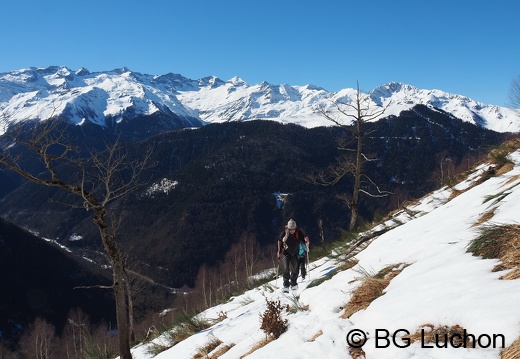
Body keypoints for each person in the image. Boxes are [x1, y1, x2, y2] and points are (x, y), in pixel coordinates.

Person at [277, 219, 308, 292]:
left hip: (295, 253)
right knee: (286, 269)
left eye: (293, 229)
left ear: (295, 228)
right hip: (286, 253)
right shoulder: (284, 233)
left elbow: (303, 239)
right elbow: (279, 241)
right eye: (290, 229)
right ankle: (286, 284)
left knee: (295, 268)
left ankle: (293, 283)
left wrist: (306, 241)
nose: (291, 231)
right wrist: (278, 250)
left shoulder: (298, 232)